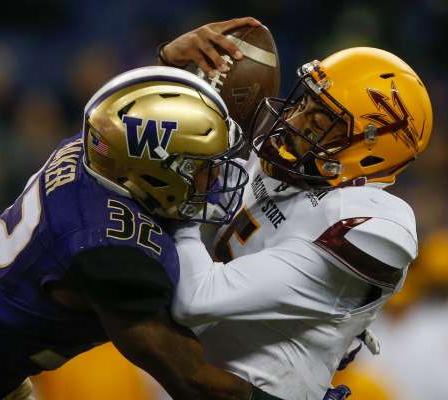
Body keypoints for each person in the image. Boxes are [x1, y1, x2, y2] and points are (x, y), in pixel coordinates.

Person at [0, 65, 289, 400]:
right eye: (201, 166)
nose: (216, 179)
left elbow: (136, 109)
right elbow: (190, 378)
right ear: (155, 168)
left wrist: (174, 61)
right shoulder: (108, 251)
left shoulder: (98, 155)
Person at [158, 19, 433, 400]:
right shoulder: (294, 163)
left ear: (370, 150)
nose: (293, 121)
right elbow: (165, 149)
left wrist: (184, 197)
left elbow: (194, 298)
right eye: (304, 102)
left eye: (320, 121)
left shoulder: (368, 222)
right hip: (188, 378)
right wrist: (171, 73)